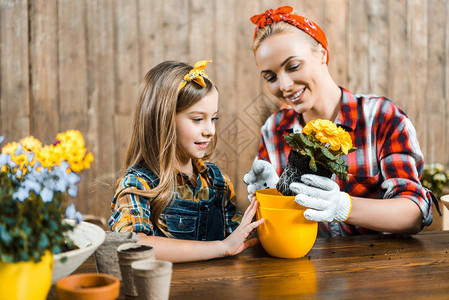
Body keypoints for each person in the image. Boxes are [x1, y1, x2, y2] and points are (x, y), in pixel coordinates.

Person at [244, 6, 440, 237]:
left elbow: (414, 213)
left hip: (380, 266)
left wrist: (342, 206)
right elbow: (271, 226)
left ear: (322, 54)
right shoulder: (274, 130)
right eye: (271, 77)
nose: (284, 85)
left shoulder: (381, 117)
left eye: (293, 66)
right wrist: (270, 196)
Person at [109, 60, 264, 262]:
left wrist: (269, 199)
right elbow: (132, 245)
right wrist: (222, 247)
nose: (210, 130)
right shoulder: (138, 185)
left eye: (213, 119)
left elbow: (241, 241)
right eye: (198, 119)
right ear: (163, 120)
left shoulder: (218, 183)